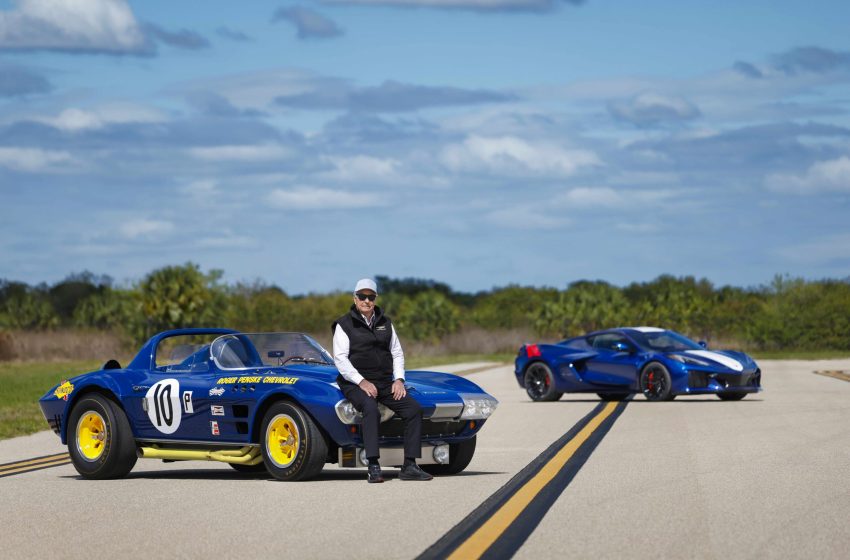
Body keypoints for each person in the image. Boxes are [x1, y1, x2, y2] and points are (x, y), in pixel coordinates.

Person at [332, 278, 432, 483]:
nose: (366, 301)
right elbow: (340, 359)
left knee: (413, 410)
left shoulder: (386, 323)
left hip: (385, 382)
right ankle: (373, 465)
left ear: (375, 299)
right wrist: (361, 382)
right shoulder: (344, 324)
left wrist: (399, 380)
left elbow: (397, 353)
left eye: (370, 297)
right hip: (354, 383)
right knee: (371, 409)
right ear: (355, 298)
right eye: (362, 296)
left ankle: (410, 466)